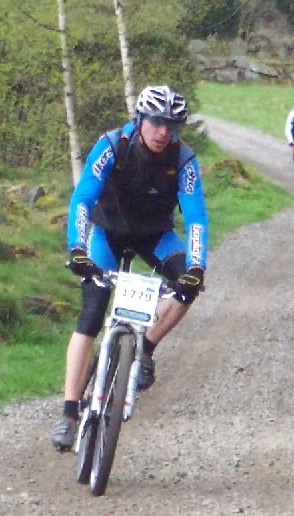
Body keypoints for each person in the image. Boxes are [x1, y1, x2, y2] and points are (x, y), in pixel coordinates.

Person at [52, 84, 209, 451]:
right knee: (90, 316)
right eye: (156, 122)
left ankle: (147, 349)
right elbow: (82, 198)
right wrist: (78, 249)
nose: (163, 132)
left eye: (171, 125)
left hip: (155, 236)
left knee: (189, 285)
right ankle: (70, 412)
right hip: (107, 234)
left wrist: (197, 267)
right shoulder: (111, 146)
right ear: (140, 119)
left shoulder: (184, 161)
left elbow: (196, 217)